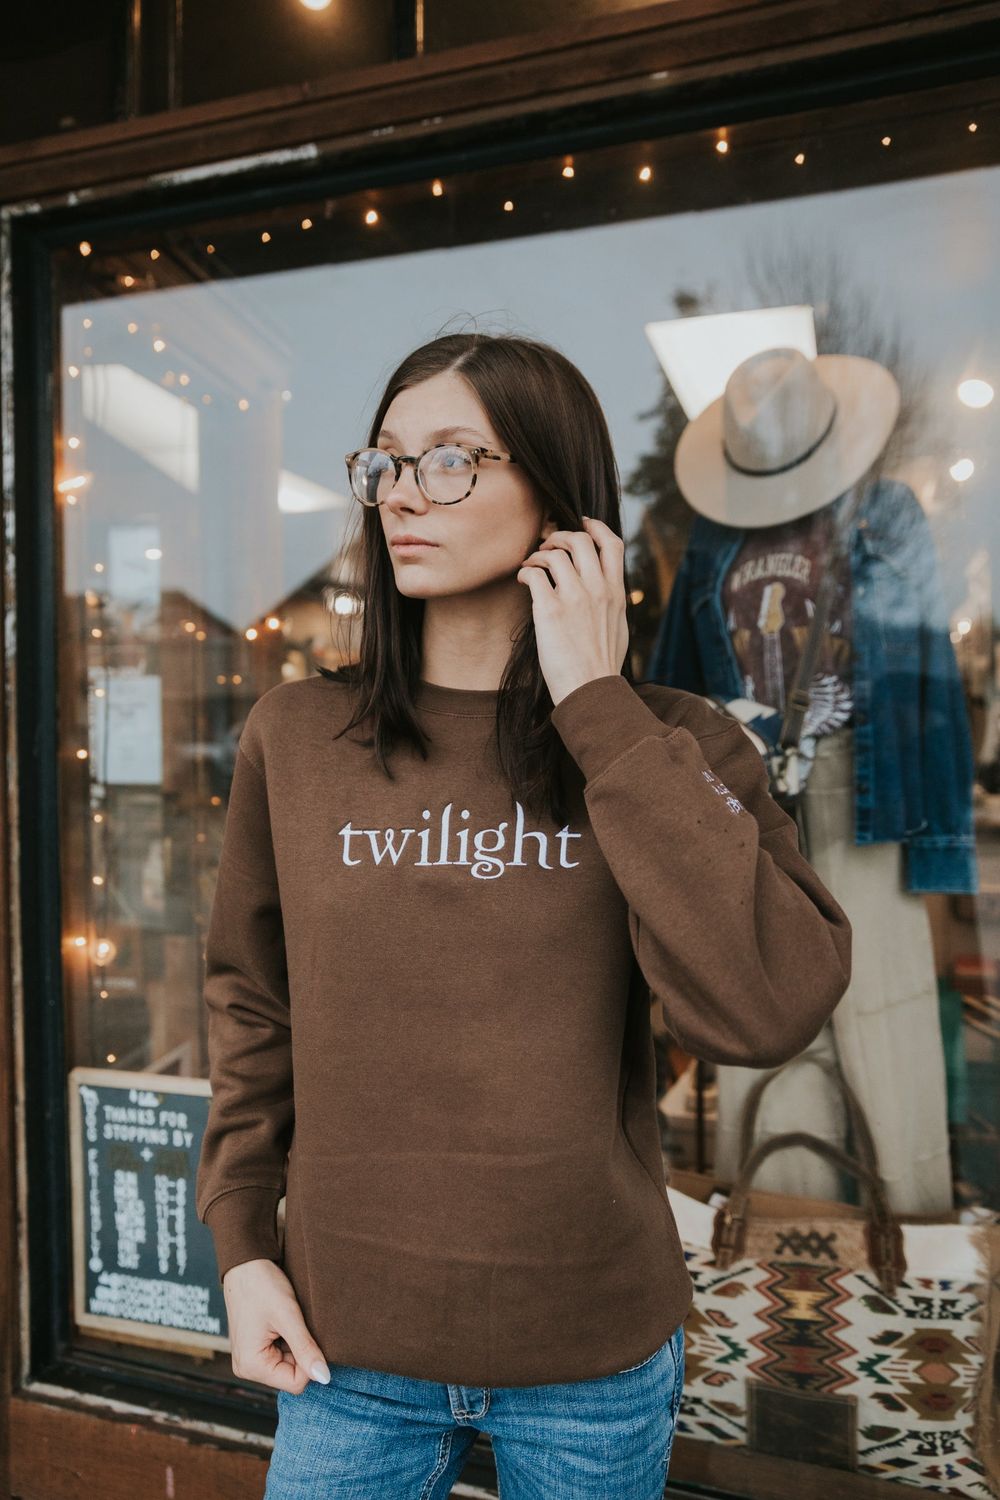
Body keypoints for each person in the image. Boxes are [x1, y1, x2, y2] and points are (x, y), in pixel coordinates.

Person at [194, 329, 852, 1499]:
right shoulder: (296, 739)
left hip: (589, 1356)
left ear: (557, 495)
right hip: (343, 1349)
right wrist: (242, 1247)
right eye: (386, 461)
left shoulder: (668, 743)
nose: (404, 493)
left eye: (452, 459)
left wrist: (595, 705)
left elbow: (766, 1006)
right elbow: (253, 1006)